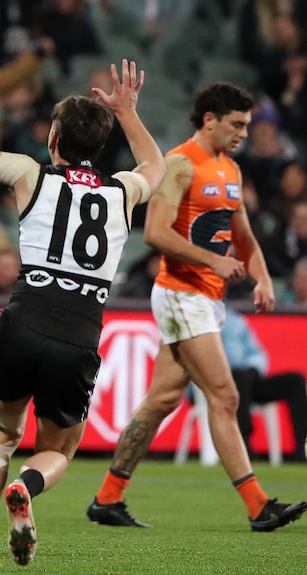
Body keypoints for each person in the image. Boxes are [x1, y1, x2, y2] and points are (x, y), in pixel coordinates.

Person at [0, 39, 165, 571]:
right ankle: (27, 485)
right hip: (78, 335)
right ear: (103, 145)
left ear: (53, 138)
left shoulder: (30, 174)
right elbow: (158, 163)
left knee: (1, 431)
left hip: (23, 321)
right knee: (60, 450)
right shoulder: (123, 191)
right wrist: (127, 113)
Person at [87, 82, 307, 533]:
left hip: (204, 298)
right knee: (224, 396)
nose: (244, 132)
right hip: (180, 293)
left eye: (247, 124)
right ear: (210, 119)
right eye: (237, 124)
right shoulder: (180, 163)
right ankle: (258, 505)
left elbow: (242, 234)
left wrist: (263, 277)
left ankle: (107, 498)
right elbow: (155, 233)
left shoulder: (229, 170)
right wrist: (214, 261)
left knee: (161, 400)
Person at [222, 305, 307, 462]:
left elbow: (256, 352)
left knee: (295, 380)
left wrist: (253, 368)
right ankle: (243, 443)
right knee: (240, 376)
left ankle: (302, 446)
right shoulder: (199, 320)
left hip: (248, 381)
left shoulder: (235, 320)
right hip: (217, 384)